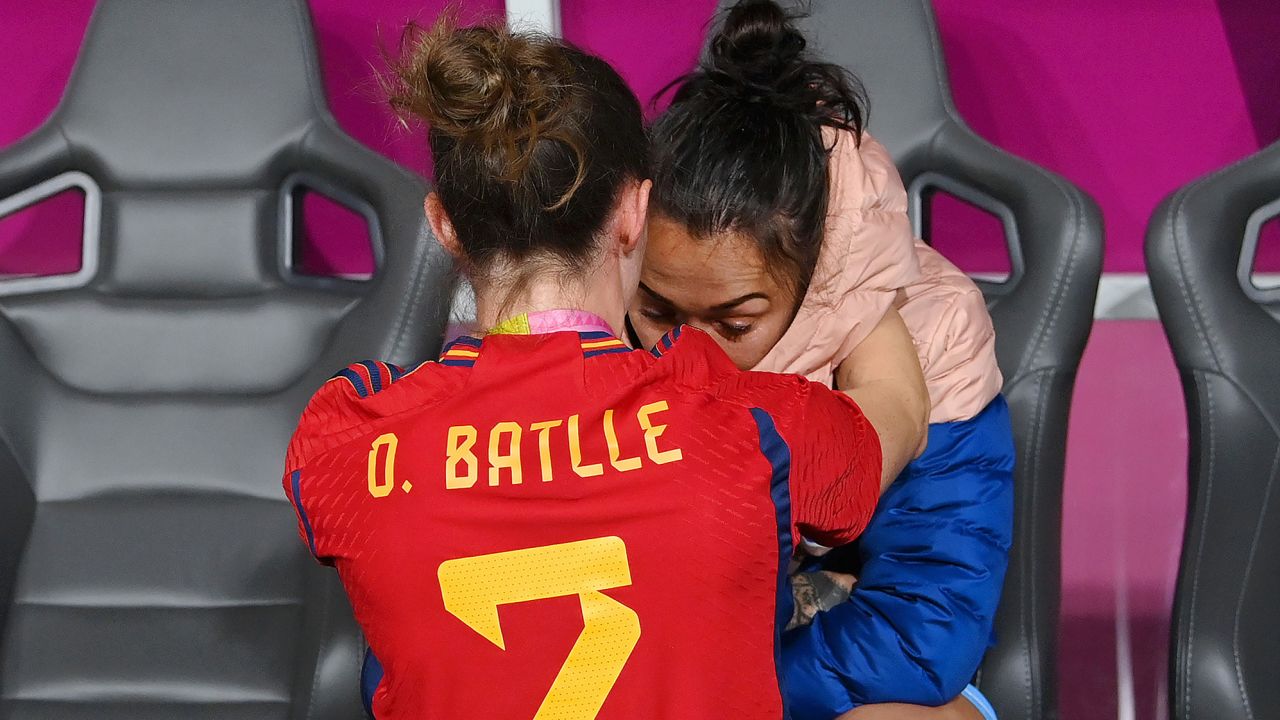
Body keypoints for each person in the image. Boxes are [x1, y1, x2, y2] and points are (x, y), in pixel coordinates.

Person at [283, 14, 895, 720]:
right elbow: (873, 444)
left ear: (443, 223)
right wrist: (874, 281)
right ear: (637, 211)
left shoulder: (349, 442)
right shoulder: (750, 425)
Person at [630, 2, 1016, 719]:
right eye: (657, 312)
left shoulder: (933, 339)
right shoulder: (596, 320)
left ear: (816, 281)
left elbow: (923, 629)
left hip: (821, 681)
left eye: (735, 322)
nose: (685, 349)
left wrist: (721, 698)